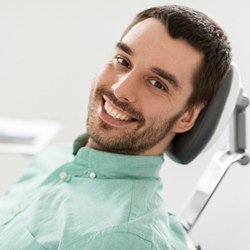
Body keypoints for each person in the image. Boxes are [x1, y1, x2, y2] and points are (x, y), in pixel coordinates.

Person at [0, 5, 231, 250]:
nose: (120, 89)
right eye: (123, 61)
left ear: (187, 116)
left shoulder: (126, 239)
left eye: (157, 84)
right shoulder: (55, 157)